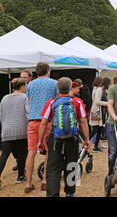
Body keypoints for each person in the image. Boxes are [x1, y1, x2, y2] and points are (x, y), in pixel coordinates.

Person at [37, 77, 90, 197]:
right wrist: (86, 139)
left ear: (58, 88)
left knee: (53, 168)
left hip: (55, 137)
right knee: (72, 165)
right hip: (72, 138)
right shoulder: (77, 102)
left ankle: (52, 194)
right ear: (70, 87)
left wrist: (40, 141)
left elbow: (44, 123)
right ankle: (70, 193)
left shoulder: (51, 102)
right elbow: (83, 121)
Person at [24, 62, 58, 194]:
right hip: (47, 121)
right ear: (48, 71)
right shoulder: (54, 83)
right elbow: (57, 102)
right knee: (49, 150)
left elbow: (27, 102)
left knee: (31, 151)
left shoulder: (30, 84)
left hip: (32, 121)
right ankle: (44, 180)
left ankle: (28, 182)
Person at [0, 78, 29, 186]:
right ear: (22, 86)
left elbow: (1, 115)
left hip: (7, 131)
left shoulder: (5, 98)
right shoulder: (25, 97)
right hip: (20, 130)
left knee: (4, 156)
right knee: (22, 154)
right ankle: (20, 176)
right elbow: (28, 113)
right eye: (25, 86)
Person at [89, 77, 108, 152]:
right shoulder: (98, 89)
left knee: (99, 130)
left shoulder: (101, 90)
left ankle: (96, 146)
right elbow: (96, 101)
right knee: (95, 130)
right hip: (97, 112)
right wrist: (107, 103)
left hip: (100, 112)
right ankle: (86, 143)